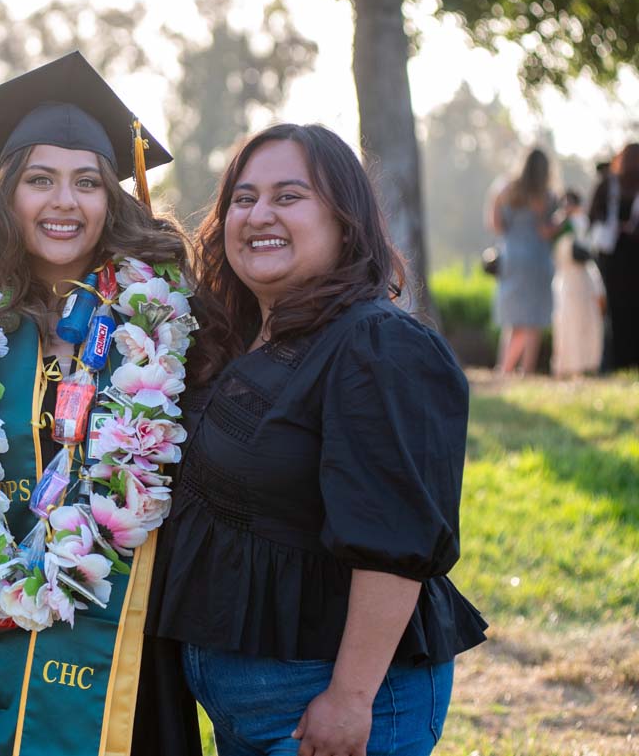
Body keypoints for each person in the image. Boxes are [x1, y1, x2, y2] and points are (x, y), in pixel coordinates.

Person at [148, 123, 487, 756]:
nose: (258, 215)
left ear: (345, 221)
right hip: (245, 708)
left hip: (328, 706)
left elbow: (396, 538)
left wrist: (352, 697)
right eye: (243, 199)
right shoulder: (240, 340)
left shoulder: (375, 344)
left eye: (289, 196)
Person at [0, 52, 201, 756]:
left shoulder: (165, 325)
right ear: (9, 195)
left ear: (114, 198)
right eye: (40, 180)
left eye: (88, 182)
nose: (64, 202)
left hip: (126, 640)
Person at [489, 148, 560, 375]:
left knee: (514, 319)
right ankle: (526, 370)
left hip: (511, 257)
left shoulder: (506, 190)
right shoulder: (547, 195)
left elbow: (497, 225)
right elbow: (544, 232)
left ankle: (505, 367)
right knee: (533, 320)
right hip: (537, 258)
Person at [588, 143, 639, 371]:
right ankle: (618, 361)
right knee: (617, 309)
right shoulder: (609, 184)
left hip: (625, 254)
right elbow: (594, 215)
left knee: (620, 309)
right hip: (615, 254)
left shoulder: (610, 184)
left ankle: (622, 360)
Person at [551, 189, 605, 378]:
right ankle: (566, 365)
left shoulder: (581, 224)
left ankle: (586, 364)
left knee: (586, 320)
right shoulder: (558, 224)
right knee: (566, 319)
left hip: (582, 279)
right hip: (566, 279)